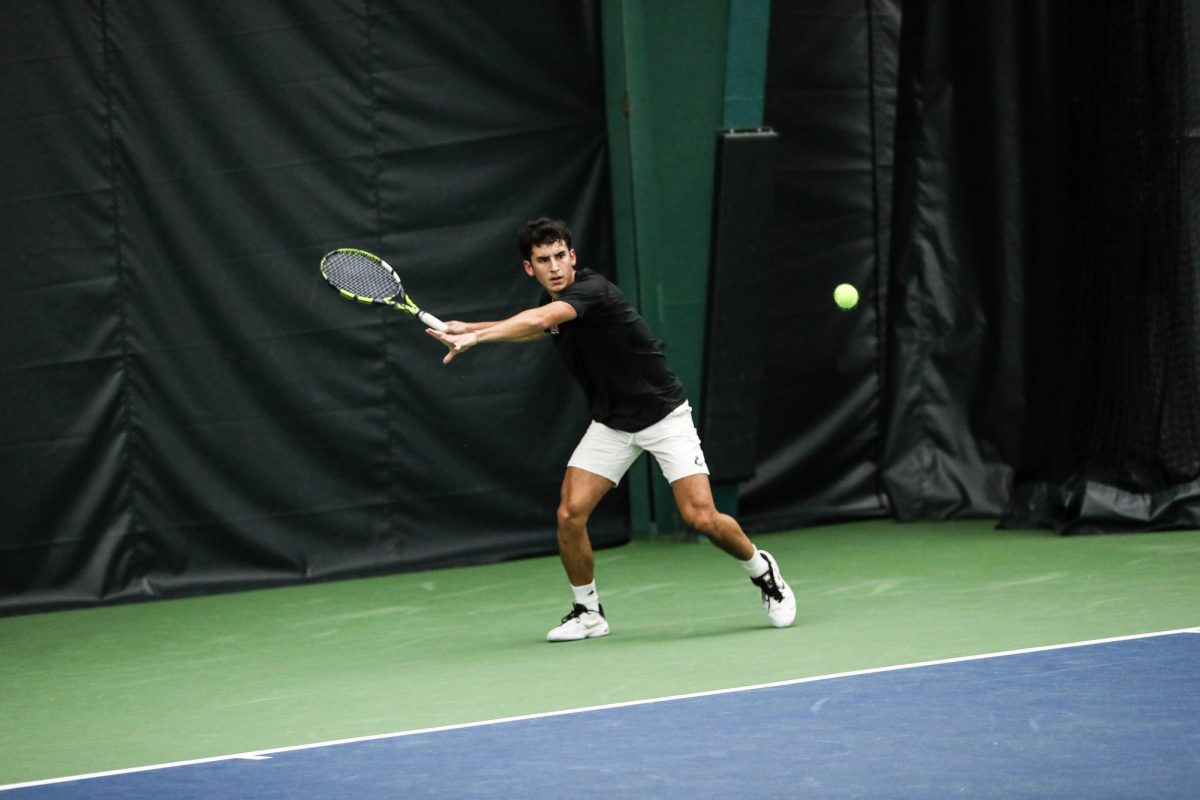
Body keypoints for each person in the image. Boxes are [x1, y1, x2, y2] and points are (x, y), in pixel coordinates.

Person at [426, 218, 796, 641]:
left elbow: (541, 318)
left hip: (663, 417)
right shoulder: (554, 304)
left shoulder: (591, 291)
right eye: (543, 260)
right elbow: (539, 326)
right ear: (530, 268)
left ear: (573, 256)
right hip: (612, 424)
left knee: (701, 516)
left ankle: (762, 570)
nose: (554, 266)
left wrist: (477, 338)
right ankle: (588, 612)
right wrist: (468, 328)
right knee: (569, 514)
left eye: (560, 256)